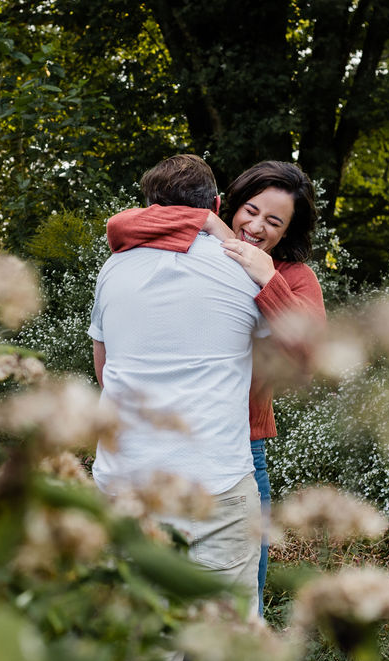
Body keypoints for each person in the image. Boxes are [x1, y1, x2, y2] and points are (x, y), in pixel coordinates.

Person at [105, 160, 327, 625]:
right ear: (229, 205)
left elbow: (312, 351)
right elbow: (122, 224)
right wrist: (205, 221)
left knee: (242, 605)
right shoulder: (203, 245)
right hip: (168, 450)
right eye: (250, 210)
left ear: (287, 232)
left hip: (241, 447)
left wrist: (268, 279)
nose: (255, 227)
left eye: (274, 221)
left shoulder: (293, 276)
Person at [89, 154, 267, 621]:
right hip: (217, 485)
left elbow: (105, 372)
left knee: (143, 655)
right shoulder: (243, 270)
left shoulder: (112, 271)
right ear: (217, 204)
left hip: (127, 487)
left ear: (148, 207)